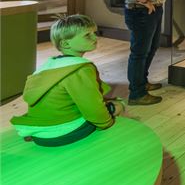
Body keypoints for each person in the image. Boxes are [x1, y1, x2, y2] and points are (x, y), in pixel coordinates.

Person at [10, 15, 123, 147]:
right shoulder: (80, 69)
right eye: (87, 35)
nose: (95, 38)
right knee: (117, 106)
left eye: (94, 33)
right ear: (65, 43)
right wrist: (106, 123)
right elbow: (92, 107)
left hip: (40, 133)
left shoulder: (49, 65)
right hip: (62, 134)